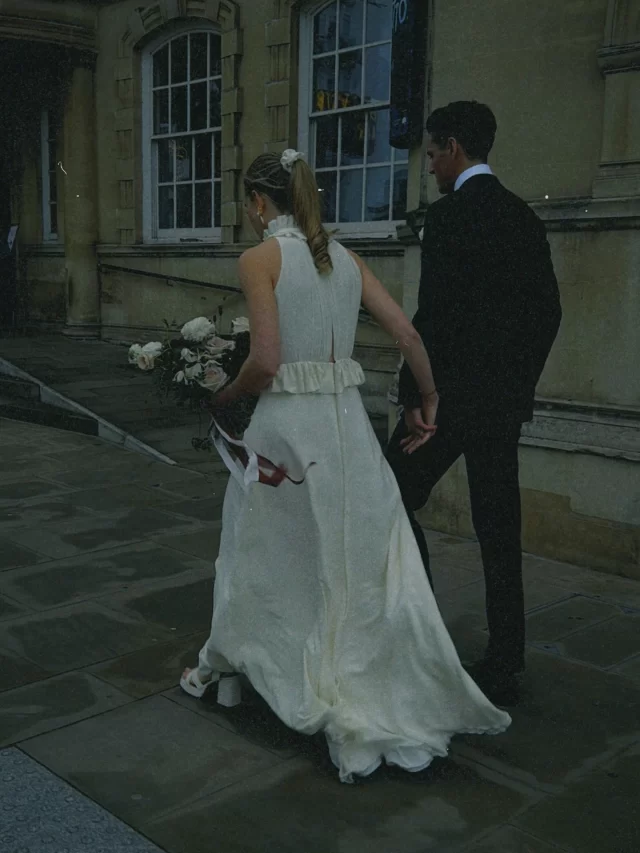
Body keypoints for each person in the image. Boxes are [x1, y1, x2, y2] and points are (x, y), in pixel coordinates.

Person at [181, 149, 511, 783]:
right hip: (348, 431)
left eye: (248, 204)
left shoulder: (259, 259)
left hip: (286, 430)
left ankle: (240, 666)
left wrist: (221, 395)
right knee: (354, 552)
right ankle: (355, 667)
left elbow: (267, 359)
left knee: (265, 549)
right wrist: (430, 402)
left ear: (258, 201)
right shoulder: (347, 258)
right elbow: (409, 337)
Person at [386, 101, 562, 707]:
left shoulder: (451, 216)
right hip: (500, 406)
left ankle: (421, 633)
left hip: (445, 404)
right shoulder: (522, 217)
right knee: (498, 528)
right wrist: (516, 389)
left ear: (454, 148)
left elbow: (433, 318)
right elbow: (548, 314)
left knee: (390, 493)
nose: (430, 166)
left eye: (432, 153)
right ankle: (506, 659)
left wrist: (417, 398)